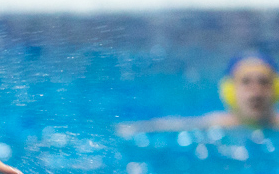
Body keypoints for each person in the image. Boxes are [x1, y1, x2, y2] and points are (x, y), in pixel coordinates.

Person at [116, 51, 279, 134]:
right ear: (230, 91)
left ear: (275, 90)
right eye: (246, 82)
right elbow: (174, 125)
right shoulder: (216, 124)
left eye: (264, 82)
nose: (256, 91)